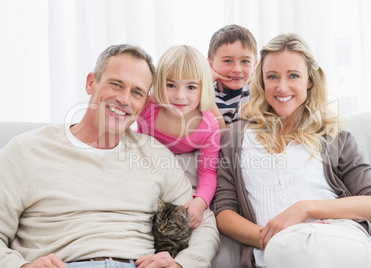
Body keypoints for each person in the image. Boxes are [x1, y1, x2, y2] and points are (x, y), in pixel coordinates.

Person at [0, 44, 219, 268]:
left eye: (136, 92)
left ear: (144, 102)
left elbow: (204, 224)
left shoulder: (155, 154)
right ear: (90, 83)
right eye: (116, 84)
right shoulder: (26, 150)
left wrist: (182, 264)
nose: (124, 100)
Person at [212, 33, 371, 267]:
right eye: (272, 76)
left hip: (336, 235)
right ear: (261, 81)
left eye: (293, 75)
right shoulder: (235, 138)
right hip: (273, 249)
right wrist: (277, 235)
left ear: (309, 80)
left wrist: (304, 209)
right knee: (283, 249)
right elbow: (224, 213)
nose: (282, 87)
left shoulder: (332, 135)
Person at [136, 45, 220, 229]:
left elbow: (208, 172)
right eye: (170, 85)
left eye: (191, 87)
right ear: (158, 84)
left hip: (184, 167)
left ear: (203, 88)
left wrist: (200, 202)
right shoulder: (147, 108)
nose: (179, 96)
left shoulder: (208, 126)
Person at [207, 24, 258, 129]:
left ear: (254, 65)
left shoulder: (257, 93)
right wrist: (206, 86)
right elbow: (215, 133)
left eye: (245, 61)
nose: (237, 69)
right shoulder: (204, 94)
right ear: (211, 64)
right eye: (228, 61)